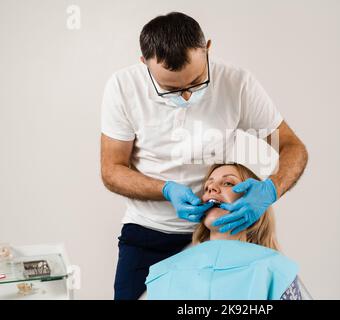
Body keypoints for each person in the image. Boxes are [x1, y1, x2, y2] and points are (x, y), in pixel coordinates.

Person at [100, 12, 308, 300]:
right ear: (144, 63)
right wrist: (164, 189)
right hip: (150, 233)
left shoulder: (237, 84)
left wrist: (271, 190)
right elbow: (112, 170)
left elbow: (292, 146)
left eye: (197, 82)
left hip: (219, 234)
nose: (186, 96)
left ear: (207, 48)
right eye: (171, 90)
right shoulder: (123, 88)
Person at [145, 163, 311, 300]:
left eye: (228, 183)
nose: (212, 189)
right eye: (207, 186)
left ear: (255, 203)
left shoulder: (274, 271)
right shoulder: (164, 273)